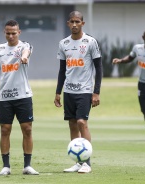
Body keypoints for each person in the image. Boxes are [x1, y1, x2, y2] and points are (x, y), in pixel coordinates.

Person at [0, 20, 39, 175]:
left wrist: (25, 58)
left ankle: (27, 165)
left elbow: (27, 51)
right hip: (5, 97)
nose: (11, 35)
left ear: (19, 32)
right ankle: (6, 166)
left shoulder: (24, 46)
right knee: (5, 130)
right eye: (8, 33)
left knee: (27, 129)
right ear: (4, 32)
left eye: (14, 33)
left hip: (23, 95)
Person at [54, 11, 102, 173]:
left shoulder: (90, 42)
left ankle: (87, 162)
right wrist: (58, 92)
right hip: (68, 91)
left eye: (77, 22)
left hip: (85, 90)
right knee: (72, 124)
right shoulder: (64, 44)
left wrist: (96, 92)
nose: (74, 24)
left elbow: (99, 68)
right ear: (68, 23)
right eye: (72, 22)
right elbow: (62, 70)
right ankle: (78, 161)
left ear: (83, 23)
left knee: (82, 122)